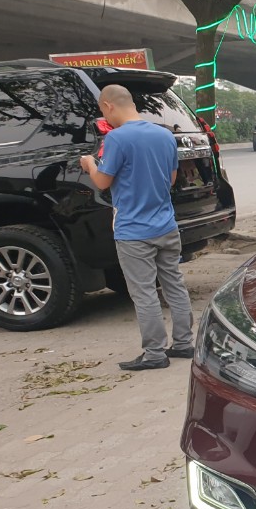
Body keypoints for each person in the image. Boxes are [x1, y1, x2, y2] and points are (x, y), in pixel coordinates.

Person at [79, 84, 194, 371]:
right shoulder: (164, 135)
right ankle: (184, 344)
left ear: (108, 106)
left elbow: (102, 182)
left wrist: (90, 164)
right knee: (174, 285)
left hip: (133, 231)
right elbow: (171, 179)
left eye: (102, 110)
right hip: (166, 225)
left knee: (144, 293)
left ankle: (154, 354)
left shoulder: (117, 139)